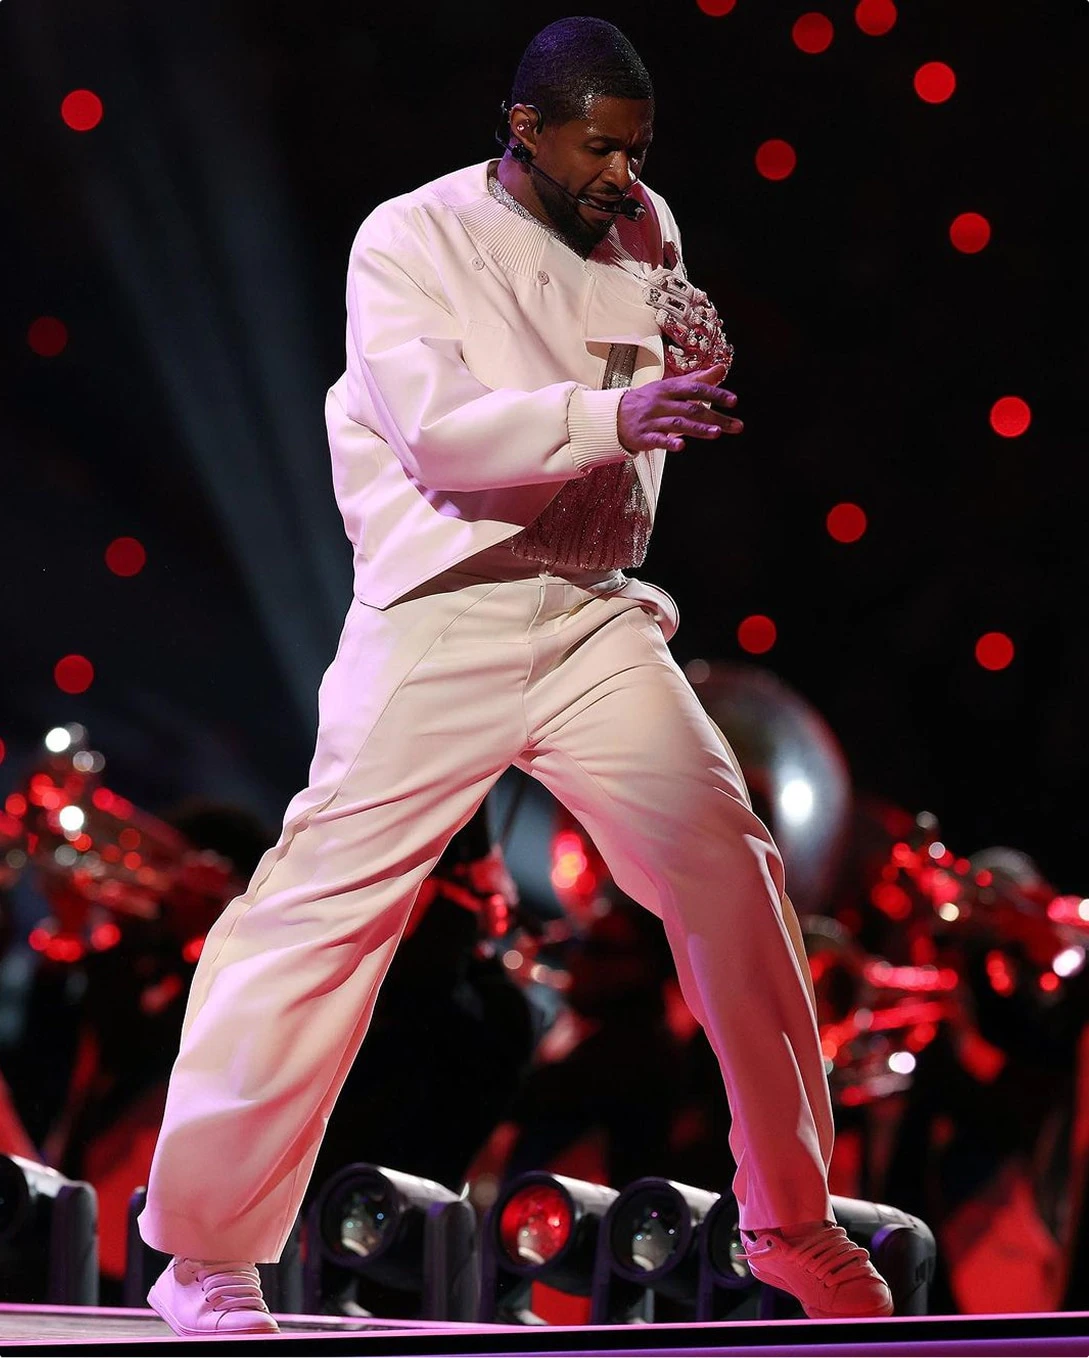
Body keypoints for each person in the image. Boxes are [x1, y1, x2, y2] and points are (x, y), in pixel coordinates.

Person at [138, 16, 893, 1335]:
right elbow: (439, 439)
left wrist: (673, 388)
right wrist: (615, 412)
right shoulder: (409, 240)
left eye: (637, 149)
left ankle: (789, 1219)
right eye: (597, 147)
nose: (621, 171)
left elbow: (637, 425)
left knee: (733, 865)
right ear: (523, 127)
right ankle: (201, 1250)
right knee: (321, 912)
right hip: (445, 612)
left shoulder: (646, 226)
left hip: (590, 619)